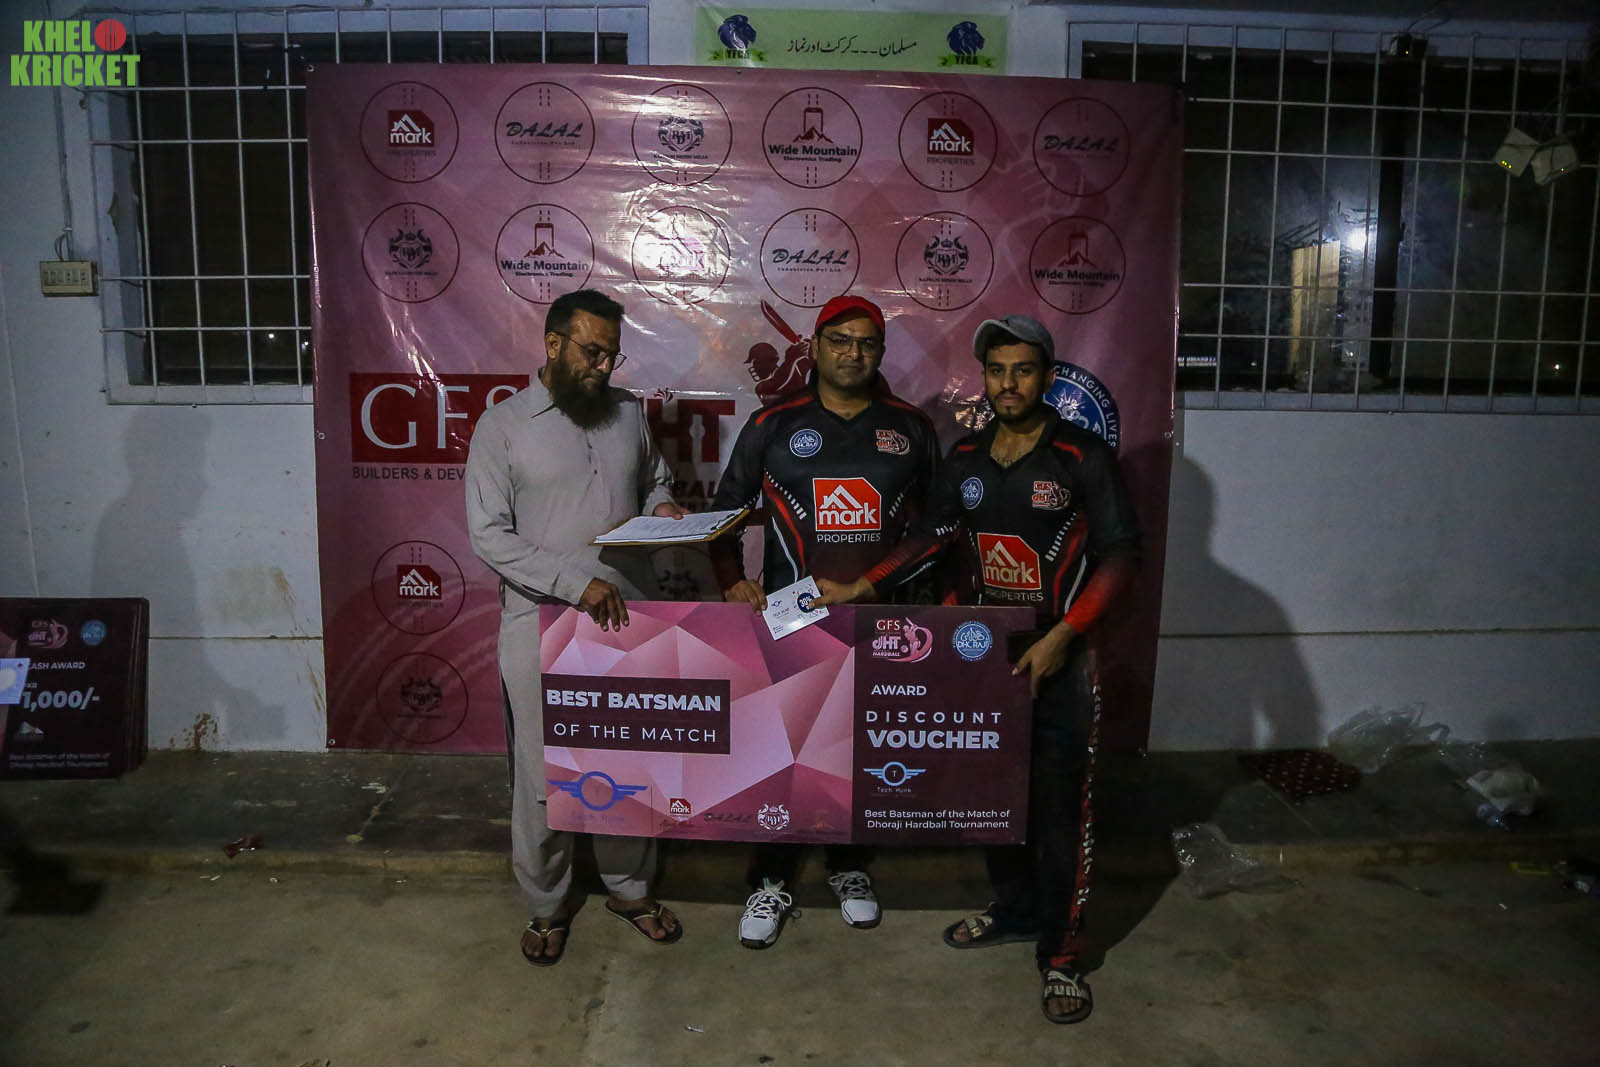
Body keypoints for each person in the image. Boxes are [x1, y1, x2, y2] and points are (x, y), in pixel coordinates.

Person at [812, 314, 1141, 1024]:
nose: (1008, 383)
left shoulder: (1081, 455)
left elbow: (1121, 556)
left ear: (1046, 377)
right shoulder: (964, 455)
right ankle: (1015, 910)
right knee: (995, 800)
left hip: (1062, 657)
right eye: (997, 371)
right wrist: (860, 586)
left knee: (1060, 812)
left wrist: (1067, 636)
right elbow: (929, 538)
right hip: (987, 655)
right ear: (984, 378)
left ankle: (1062, 954)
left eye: (1023, 370)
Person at [709, 294, 940, 948]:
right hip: (792, 619)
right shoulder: (772, 423)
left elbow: (936, 527)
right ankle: (769, 878)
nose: (853, 353)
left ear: (880, 352)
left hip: (881, 622)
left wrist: (899, 594)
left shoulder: (910, 426)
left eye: (867, 342)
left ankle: (849, 865)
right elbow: (725, 512)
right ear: (814, 347)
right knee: (784, 753)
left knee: (861, 752)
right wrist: (731, 581)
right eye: (840, 340)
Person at [465, 288, 688, 966]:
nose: (603, 366)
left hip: (628, 618)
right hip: (542, 621)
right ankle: (546, 903)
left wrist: (664, 504)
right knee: (544, 774)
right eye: (592, 352)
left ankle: (628, 890)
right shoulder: (502, 427)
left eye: (612, 355)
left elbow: (654, 478)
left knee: (627, 762)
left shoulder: (627, 414)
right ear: (554, 344)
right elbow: (488, 535)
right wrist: (573, 583)